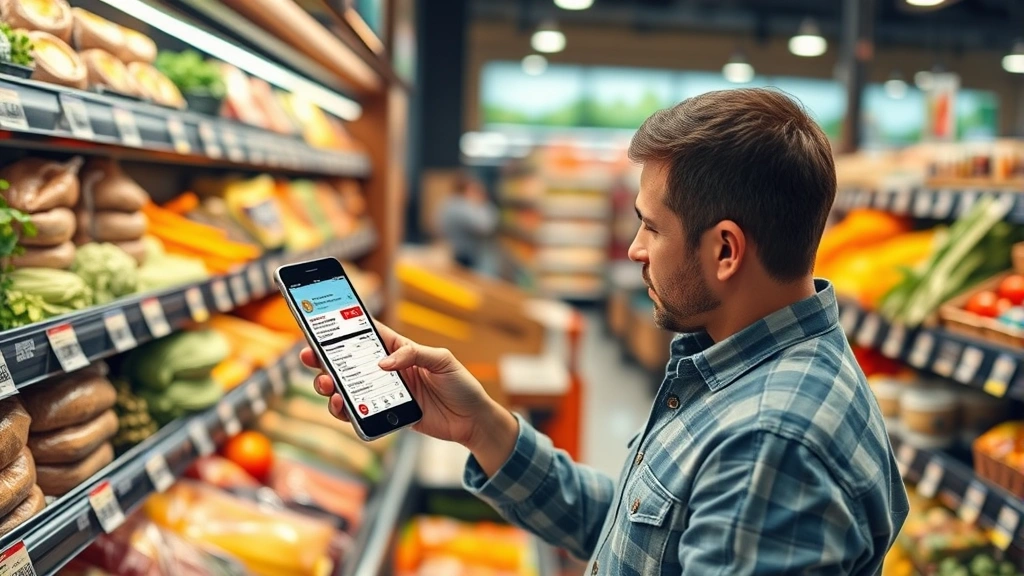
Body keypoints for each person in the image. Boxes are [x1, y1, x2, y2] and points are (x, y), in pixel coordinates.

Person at [301, 88, 909, 574]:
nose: (633, 248)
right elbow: (637, 533)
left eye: (651, 227)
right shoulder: (749, 372)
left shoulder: (770, 445)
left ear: (726, 250)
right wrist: (480, 426)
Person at [436, 172, 498, 269]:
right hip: (465, 253)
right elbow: (485, 226)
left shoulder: (448, 202)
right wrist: (482, 204)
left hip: (454, 249)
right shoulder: (462, 206)